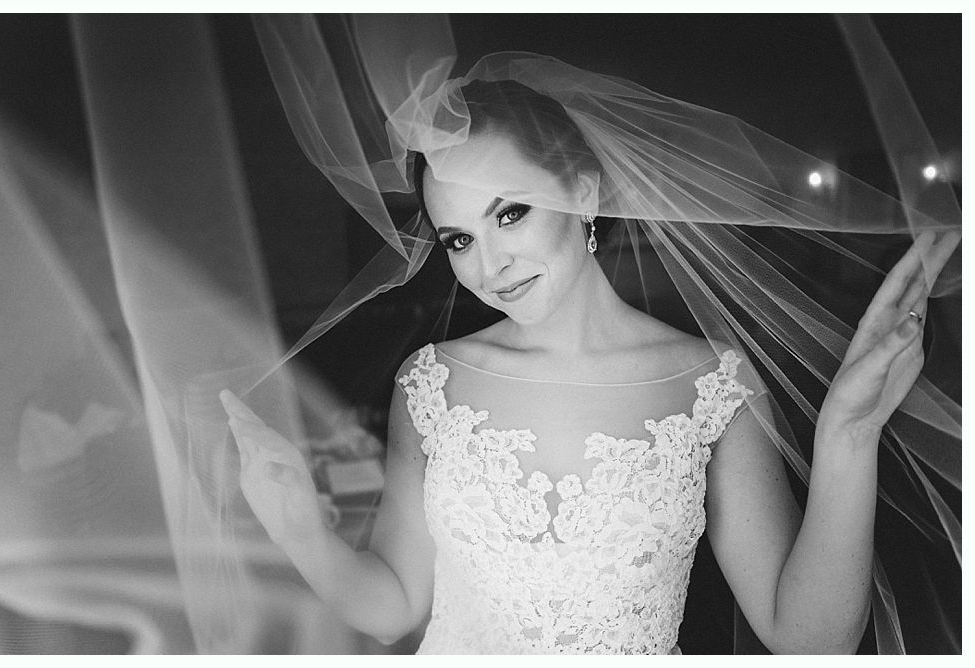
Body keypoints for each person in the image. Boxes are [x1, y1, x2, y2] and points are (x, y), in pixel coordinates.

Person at [220, 74, 959, 654]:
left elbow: (809, 641)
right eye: (458, 240)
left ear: (582, 193)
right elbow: (393, 608)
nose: (490, 263)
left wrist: (848, 437)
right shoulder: (431, 383)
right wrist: (298, 530)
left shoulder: (712, 386)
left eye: (511, 213)